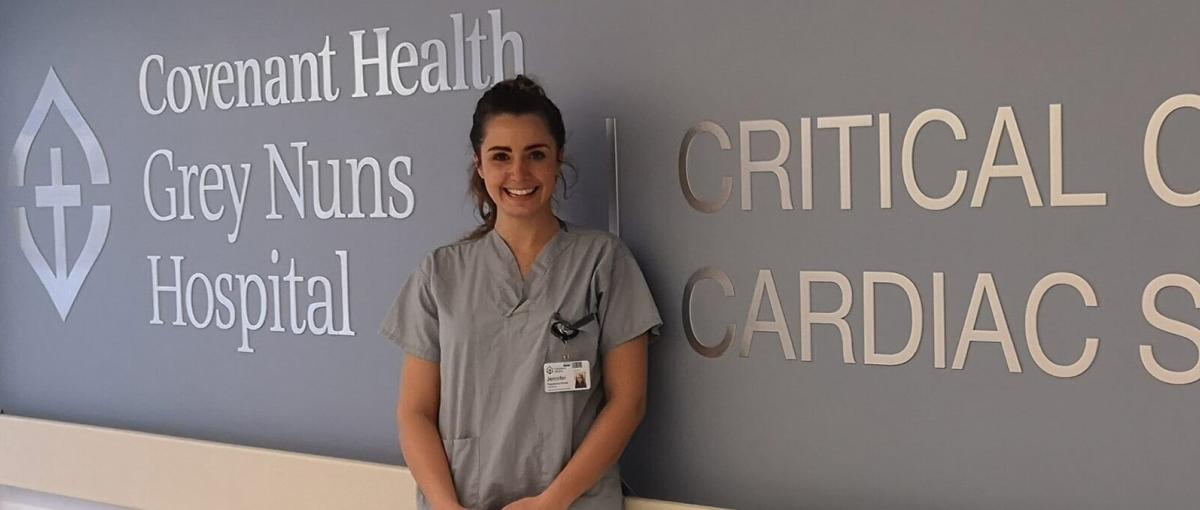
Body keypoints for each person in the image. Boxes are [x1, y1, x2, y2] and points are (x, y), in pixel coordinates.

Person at [380, 75, 662, 510]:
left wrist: (553, 501)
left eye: (536, 155)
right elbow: (414, 413)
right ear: (479, 164)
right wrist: (445, 505)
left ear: (558, 160)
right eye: (500, 156)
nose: (518, 173)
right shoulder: (440, 274)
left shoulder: (603, 262)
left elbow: (630, 402)